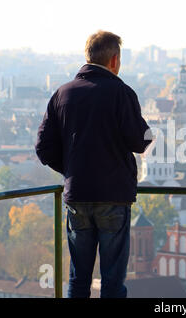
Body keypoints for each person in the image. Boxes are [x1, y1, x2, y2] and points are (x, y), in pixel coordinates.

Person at [35, 30, 152, 298]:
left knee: (78, 279)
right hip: (113, 196)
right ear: (114, 60)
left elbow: (43, 148)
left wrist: (72, 170)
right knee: (112, 281)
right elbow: (140, 141)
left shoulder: (62, 94)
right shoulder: (121, 93)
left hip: (78, 196)